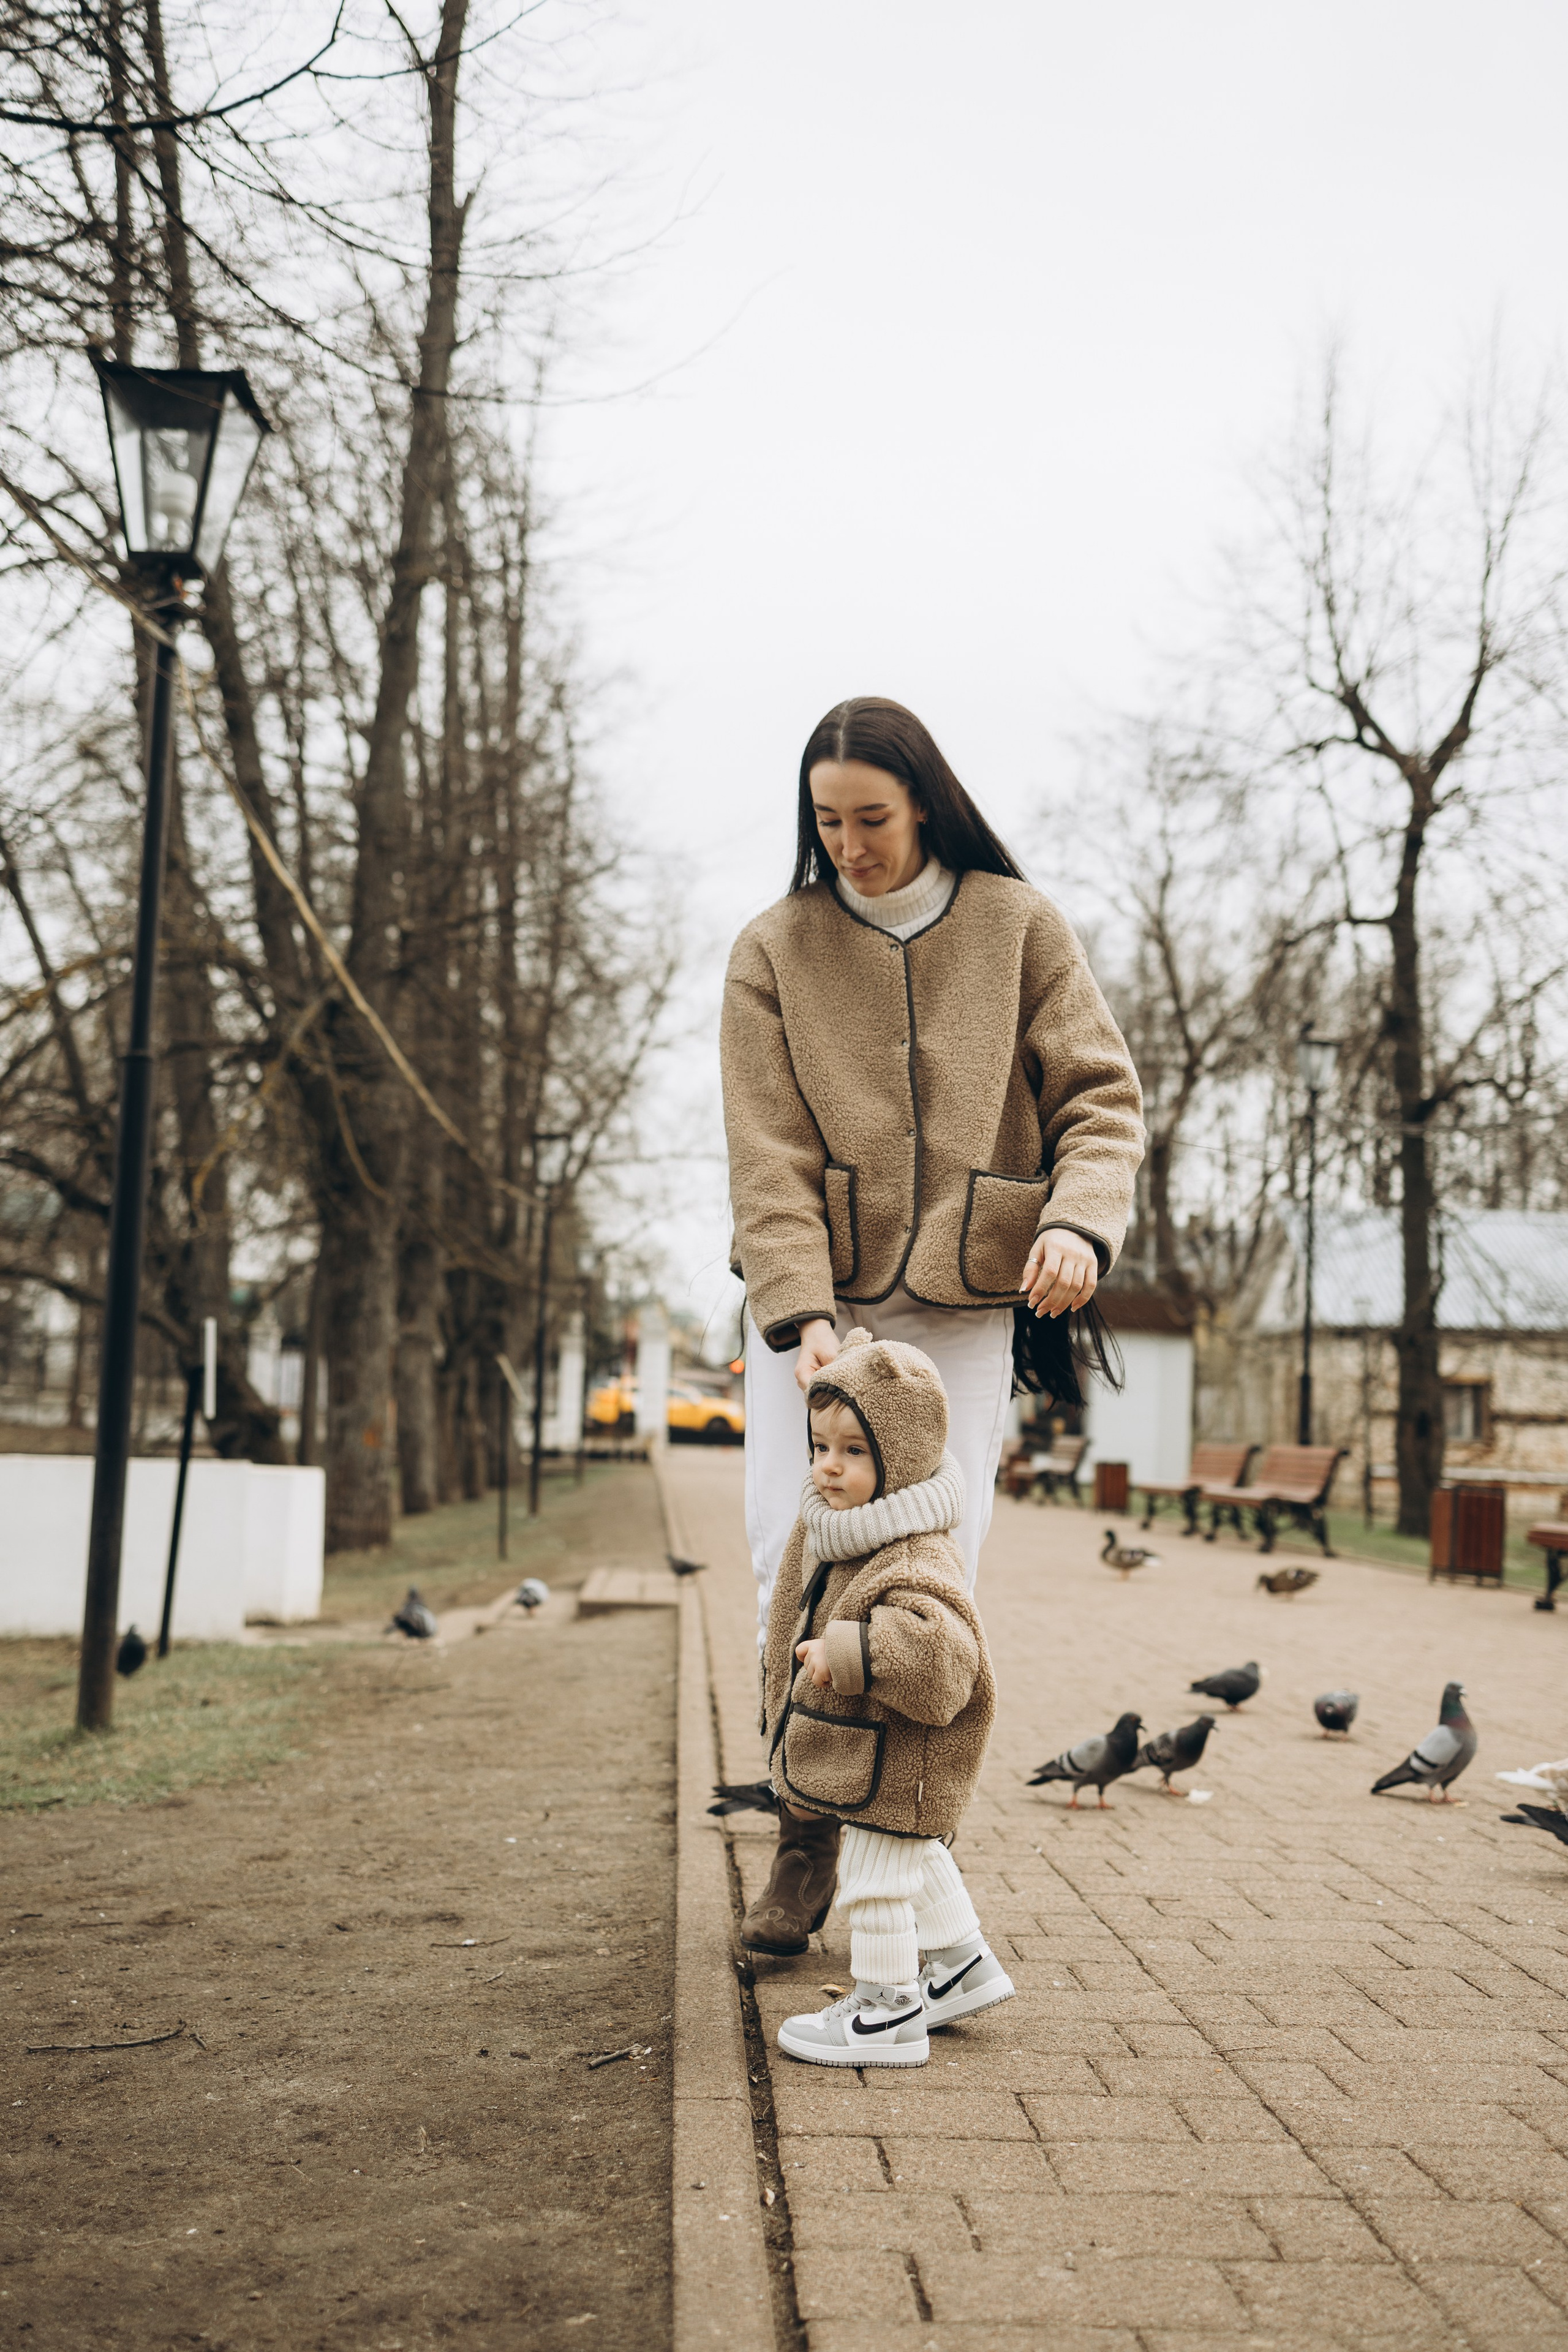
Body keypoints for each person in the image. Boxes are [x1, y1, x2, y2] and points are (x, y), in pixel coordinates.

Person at [721, 696, 1143, 1953]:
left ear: (926, 804)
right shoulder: (774, 948)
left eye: (873, 819)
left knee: (932, 1577)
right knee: (792, 1558)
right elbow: (766, 1155)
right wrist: (800, 1315)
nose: (849, 845)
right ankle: (805, 1833)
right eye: (826, 822)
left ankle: (904, 1837)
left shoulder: (1018, 926)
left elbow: (1099, 1098)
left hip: (964, 1302)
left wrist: (1077, 1224)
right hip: (819, 1302)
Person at [764, 1327, 1012, 2067]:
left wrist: (853, 1650)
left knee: (876, 1875)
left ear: (900, 1456)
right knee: (913, 1852)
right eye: (820, 1446)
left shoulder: (912, 1554)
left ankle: (887, 2010)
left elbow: (947, 1660)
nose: (828, 1466)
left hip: (902, 1753)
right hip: (871, 1753)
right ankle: (962, 1965)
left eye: (854, 1451)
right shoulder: (840, 1528)